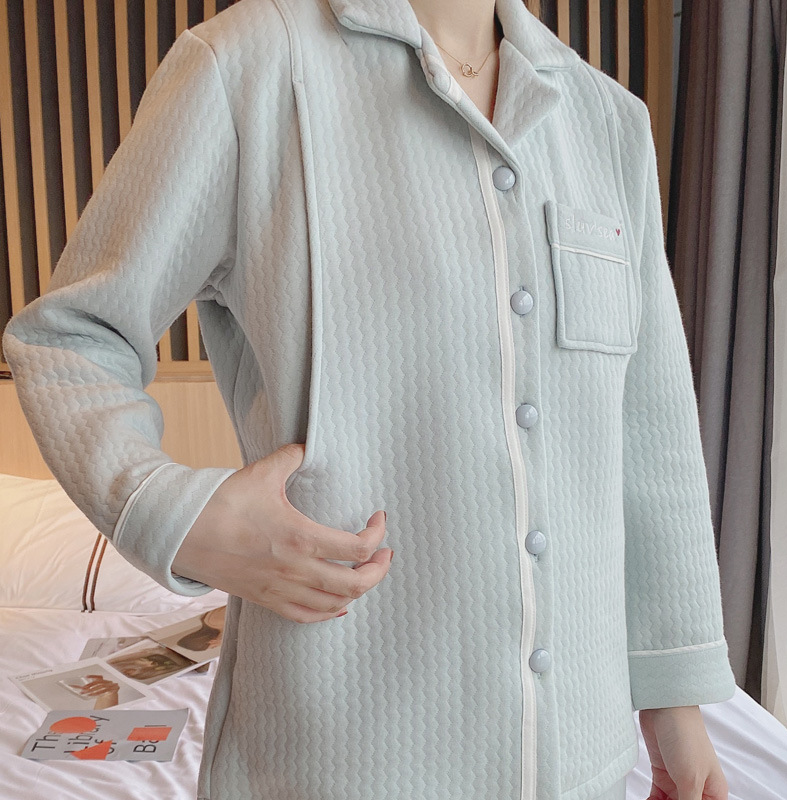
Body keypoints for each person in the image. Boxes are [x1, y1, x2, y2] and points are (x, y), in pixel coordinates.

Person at [1, 0, 738, 798]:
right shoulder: (249, 66)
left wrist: (674, 699)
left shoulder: (608, 121)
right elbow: (72, 336)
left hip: (583, 760)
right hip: (339, 760)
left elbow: (650, 430)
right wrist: (177, 516)